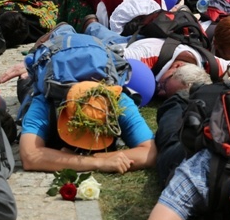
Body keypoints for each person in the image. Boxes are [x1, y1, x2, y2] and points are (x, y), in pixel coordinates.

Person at [20, 73, 156, 174]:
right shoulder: (44, 102)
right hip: (37, 85)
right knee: (24, 84)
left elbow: (150, 153)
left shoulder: (120, 102)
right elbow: (30, 156)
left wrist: (86, 158)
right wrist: (98, 162)